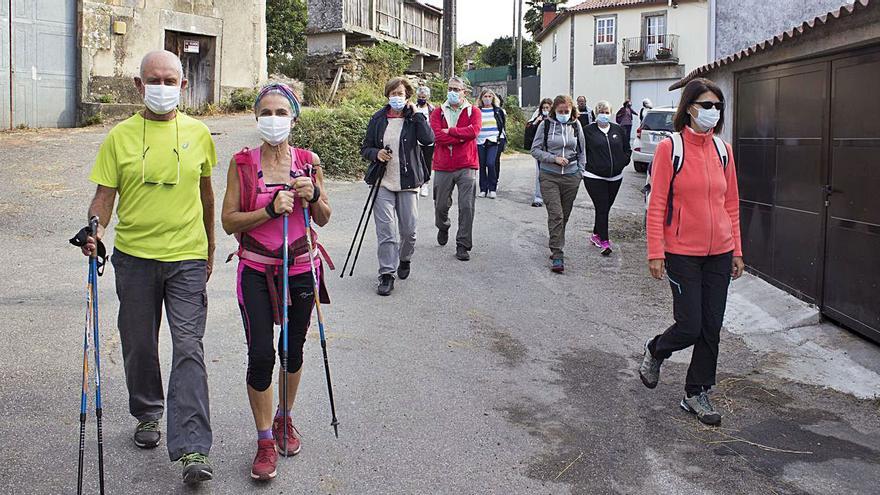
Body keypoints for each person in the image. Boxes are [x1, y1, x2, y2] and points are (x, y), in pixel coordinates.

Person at [80, 50, 216, 484]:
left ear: (183, 85)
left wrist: (210, 247)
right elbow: (105, 195)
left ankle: (193, 447)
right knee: (139, 343)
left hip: (186, 258)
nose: (162, 87)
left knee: (189, 346)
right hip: (135, 257)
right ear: (139, 86)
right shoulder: (119, 137)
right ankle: (148, 412)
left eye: (170, 80)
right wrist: (93, 228)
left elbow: (207, 195)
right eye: (153, 80)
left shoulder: (199, 133)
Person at [221, 83, 332, 480]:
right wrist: (269, 209)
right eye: (266, 112)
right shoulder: (243, 163)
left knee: (292, 350)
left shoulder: (308, 160)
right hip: (255, 269)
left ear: (294, 117)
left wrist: (314, 192)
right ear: (256, 118)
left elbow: (323, 217)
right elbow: (229, 220)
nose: (273, 119)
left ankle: (286, 417)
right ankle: (265, 439)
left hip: (301, 268)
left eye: (281, 112)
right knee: (261, 356)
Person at [639, 78, 744, 427]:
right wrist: (656, 251)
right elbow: (658, 204)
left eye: (717, 106)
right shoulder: (672, 148)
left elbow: (731, 204)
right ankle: (656, 349)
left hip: (720, 253)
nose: (712, 112)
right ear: (689, 108)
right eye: (705, 105)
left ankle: (696, 392)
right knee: (690, 325)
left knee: (711, 326)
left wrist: (737, 250)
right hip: (682, 252)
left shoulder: (723, 151)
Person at [361, 77, 434, 295]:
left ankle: (405, 258)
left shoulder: (414, 119)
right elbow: (365, 148)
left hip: (408, 181)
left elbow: (428, 139)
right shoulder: (378, 119)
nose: (396, 97)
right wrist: (377, 153)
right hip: (382, 181)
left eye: (400, 94)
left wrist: (418, 116)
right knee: (386, 232)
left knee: (409, 231)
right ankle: (386, 274)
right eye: (393, 94)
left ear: (407, 96)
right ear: (387, 96)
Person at [530, 95, 585, 273]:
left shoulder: (576, 126)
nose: (563, 114)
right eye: (560, 111)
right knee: (556, 215)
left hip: (571, 177)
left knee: (564, 216)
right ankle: (557, 253)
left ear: (571, 111)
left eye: (566, 112)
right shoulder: (545, 125)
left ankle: (556, 242)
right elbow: (535, 150)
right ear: (554, 110)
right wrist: (553, 158)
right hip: (549, 176)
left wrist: (580, 173)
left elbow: (582, 151)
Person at [430, 76, 482, 261]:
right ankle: (443, 226)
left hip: (466, 164)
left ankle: (463, 244)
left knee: (467, 206)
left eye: (456, 89)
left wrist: (450, 131)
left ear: (464, 92)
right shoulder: (437, 112)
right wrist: (461, 136)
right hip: (443, 165)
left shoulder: (473, 111)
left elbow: (473, 132)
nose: (452, 92)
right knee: (440, 205)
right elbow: (438, 137)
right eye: (450, 88)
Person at [582, 100, 631, 256]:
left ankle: (596, 234)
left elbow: (626, 149)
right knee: (602, 207)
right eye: (601, 112)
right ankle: (605, 241)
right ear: (596, 113)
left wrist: (623, 161)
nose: (604, 114)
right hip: (594, 176)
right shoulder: (587, 131)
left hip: (616, 177)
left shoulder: (618, 129)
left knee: (605, 208)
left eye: (607, 111)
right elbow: (581, 151)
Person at [475, 89, 506, 199]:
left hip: (494, 140)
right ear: (481, 98)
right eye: (485, 96)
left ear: (493, 98)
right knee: (482, 165)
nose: (487, 99)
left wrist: (502, 140)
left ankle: (492, 187)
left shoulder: (498, 111)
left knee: (491, 163)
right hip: (480, 141)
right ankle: (483, 189)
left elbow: (502, 126)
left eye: (489, 96)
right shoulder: (477, 111)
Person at [524, 98, 553, 207]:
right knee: (540, 173)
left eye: (547, 108)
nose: (545, 110)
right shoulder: (537, 118)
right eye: (544, 108)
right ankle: (538, 197)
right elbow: (529, 131)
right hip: (540, 150)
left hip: (552, 150)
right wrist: (536, 122)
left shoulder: (555, 120)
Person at [414, 86, 435, 197]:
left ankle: (425, 184)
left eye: (423, 97)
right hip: (415, 140)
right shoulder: (413, 108)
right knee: (416, 162)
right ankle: (417, 184)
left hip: (429, 140)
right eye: (419, 97)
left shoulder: (432, 110)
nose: (421, 99)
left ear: (427, 98)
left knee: (427, 163)